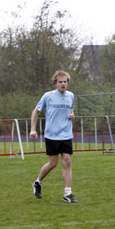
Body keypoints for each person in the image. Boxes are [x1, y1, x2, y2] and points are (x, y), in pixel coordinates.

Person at [29, 70, 78, 203]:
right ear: (55, 83)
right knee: (53, 163)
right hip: (52, 135)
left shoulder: (71, 96)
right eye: (60, 82)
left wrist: (72, 116)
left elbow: (70, 111)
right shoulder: (48, 96)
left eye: (65, 82)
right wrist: (33, 129)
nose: (63, 84)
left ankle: (67, 194)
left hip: (66, 134)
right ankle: (37, 182)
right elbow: (36, 111)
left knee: (67, 161)